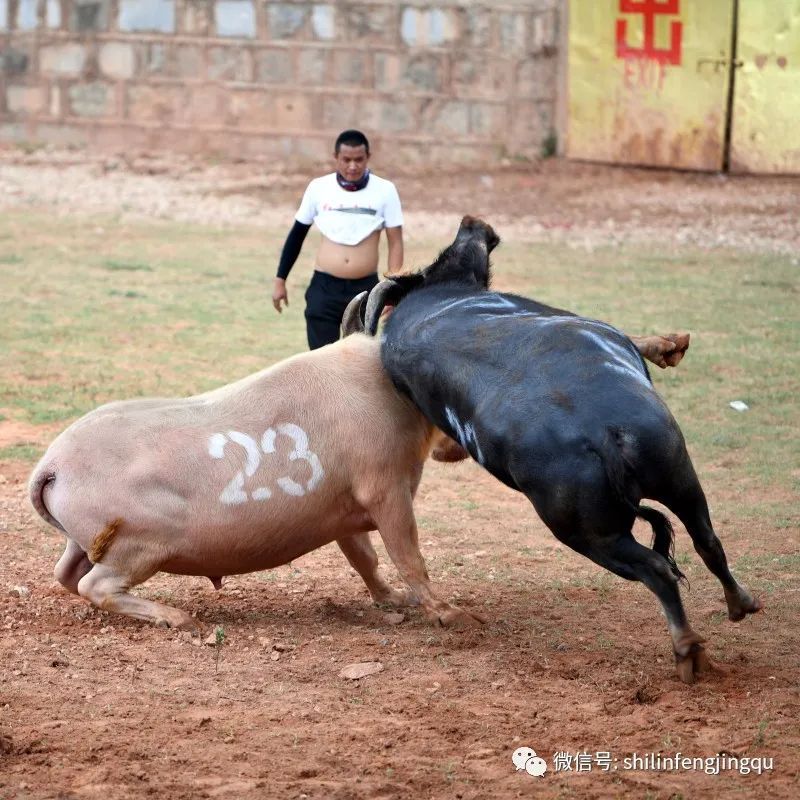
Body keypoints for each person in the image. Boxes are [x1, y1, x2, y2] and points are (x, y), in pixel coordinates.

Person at [272, 129, 404, 349]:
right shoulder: (318, 188)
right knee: (321, 359)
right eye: (346, 160)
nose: (352, 166)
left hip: (365, 288)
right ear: (336, 158)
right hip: (324, 287)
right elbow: (297, 234)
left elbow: (396, 241)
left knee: (358, 360)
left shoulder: (385, 191)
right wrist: (280, 279)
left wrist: (394, 288)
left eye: (358, 160)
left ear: (368, 157)